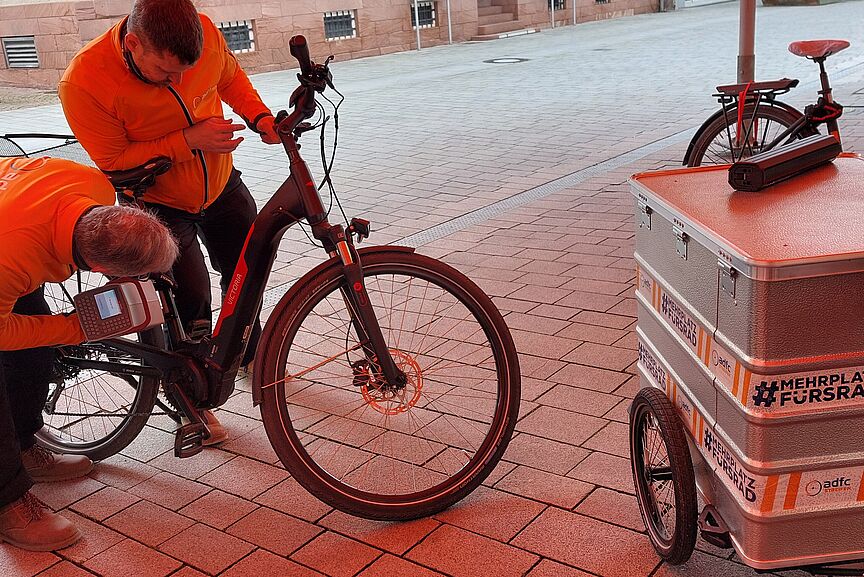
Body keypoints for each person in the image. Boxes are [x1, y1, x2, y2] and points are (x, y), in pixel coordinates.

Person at [58, 0, 279, 443]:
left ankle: (248, 352)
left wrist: (259, 117)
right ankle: (189, 400)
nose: (176, 81)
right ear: (133, 44)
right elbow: (114, 161)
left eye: (184, 71)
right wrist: (189, 140)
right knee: (190, 295)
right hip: (157, 200)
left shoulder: (204, 31)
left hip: (220, 183)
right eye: (164, 71)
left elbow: (228, 76)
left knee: (248, 270)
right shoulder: (85, 80)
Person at [0, 156, 179, 551]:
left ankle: (24, 445)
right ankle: (7, 503)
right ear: (98, 267)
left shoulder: (92, 184)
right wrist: (72, 329)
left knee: (34, 354)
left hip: (14, 227)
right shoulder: (11, 257)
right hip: (8, 244)